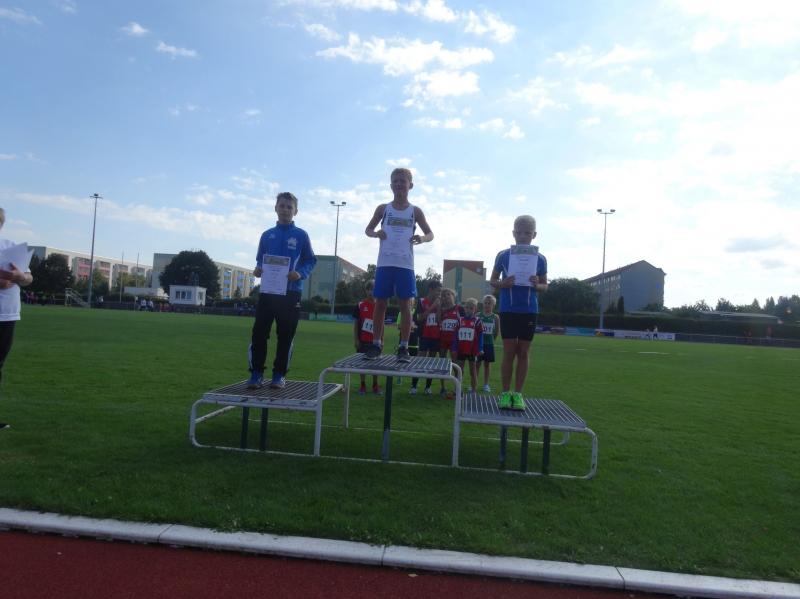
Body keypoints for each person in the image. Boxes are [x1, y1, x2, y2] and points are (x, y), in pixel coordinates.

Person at [247, 192, 317, 390]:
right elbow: (260, 259)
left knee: (285, 335)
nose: (285, 210)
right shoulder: (267, 235)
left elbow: (311, 260)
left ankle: (279, 375)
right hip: (268, 292)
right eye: (282, 206)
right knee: (259, 333)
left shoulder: (301, 235)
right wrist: (258, 269)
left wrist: (300, 273)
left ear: (296, 211)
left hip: (291, 293)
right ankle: (256, 373)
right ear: (275, 208)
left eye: (289, 207)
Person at [364, 168, 433, 361]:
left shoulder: (415, 211)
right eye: (395, 181)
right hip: (385, 263)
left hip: (405, 265)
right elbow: (368, 229)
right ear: (390, 185)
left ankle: (403, 347)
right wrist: (376, 233)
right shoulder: (383, 209)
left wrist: (422, 238)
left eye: (403, 181)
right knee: (380, 304)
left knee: (405, 305)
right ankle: (376, 344)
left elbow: (430, 234)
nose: (399, 184)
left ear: (410, 185)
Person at [489, 215, 548, 411]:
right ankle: (506, 394)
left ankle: (518, 394)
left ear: (534, 235)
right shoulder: (503, 255)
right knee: (509, 352)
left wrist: (537, 284)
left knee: (523, 352)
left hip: (529, 310)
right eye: (520, 232)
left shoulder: (540, 259)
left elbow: (545, 286)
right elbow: (493, 281)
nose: (523, 236)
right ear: (513, 233)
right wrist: (503, 284)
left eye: (527, 233)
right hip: (508, 310)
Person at [0, 207, 35, 430]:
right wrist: (6, 280)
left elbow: (29, 278)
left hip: (7, 313)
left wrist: (20, 276)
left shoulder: (10, 247)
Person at [410, 281, 441, 395]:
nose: (439, 294)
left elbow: (438, 320)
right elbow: (419, 318)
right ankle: (414, 386)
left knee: (431, 362)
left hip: (435, 336)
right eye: (438, 291)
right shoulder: (422, 302)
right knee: (420, 360)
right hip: (424, 335)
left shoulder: (439, 303)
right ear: (431, 289)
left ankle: (428, 387)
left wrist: (438, 308)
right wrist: (432, 307)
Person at [352, 280, 382, 395]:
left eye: (374, 289)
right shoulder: (360, 305)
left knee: (376, 364)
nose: (371, 292)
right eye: (369, 289)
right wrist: (356, 339)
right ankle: (363, 385)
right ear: (366, 290)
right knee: (362, 364)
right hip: (363, 341)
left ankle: (375, 385)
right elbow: (356, 324)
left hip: (375, 341)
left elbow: (382, 325)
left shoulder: (380, 305)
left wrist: (382, 340)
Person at [452, 297, 483, 393]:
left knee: (472, 371)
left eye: (471, 308)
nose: (468, 310)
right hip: (461, 349)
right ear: (464, 308)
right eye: (467, 308)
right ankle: (457, 389)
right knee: (459, 370)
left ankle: (473, 390)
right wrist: (454, 347)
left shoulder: (477, 321)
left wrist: (480, 348)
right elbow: (455, 335)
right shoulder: (460, 320)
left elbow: (481, 336)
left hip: (472, 350)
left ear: (475, 309)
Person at [437, 288, 461, 397]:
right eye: (444, 296)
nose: (446, 297)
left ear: (453, 296)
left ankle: (457, 389)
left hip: (454, 341)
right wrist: (439, 308)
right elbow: (438, 321)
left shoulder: (459, 308)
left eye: (448, 295)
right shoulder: (442, 310)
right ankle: (443, 387)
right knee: (442, 364)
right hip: (443, 340)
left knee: (456, 365)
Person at [477, 294, 500, 392]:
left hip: (489, 344)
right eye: (485, 303)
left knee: (487, 365)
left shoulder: (495, 317)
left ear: (493, 305)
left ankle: (486, 384)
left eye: (489, 303)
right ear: (483, 304)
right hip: (478, 345)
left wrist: (491, 340)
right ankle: (474, 383)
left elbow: (496, 332)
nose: (487, 305)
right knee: (477, 364)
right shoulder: (478, 315)